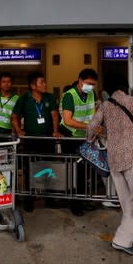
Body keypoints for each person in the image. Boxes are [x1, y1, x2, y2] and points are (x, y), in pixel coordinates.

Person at [86, 74, 133, 256]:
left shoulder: (105, 106)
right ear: (125, 86)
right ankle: (123, 240)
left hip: (115, 158)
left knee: (126, 201)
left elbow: (91, 127)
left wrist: (91, 139)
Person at [11, 72, 62, 211]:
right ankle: (29, 200)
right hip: (31, 140)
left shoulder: (50, 97)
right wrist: (18, 130)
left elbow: (54, 115)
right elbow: (14, 116)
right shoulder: (24, 99)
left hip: (47, 139)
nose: (45, 84)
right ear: (33, 85)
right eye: (42, 82)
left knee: (49, 169)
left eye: (45, 82)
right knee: (29, 169)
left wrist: (55, 130)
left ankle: (50, 199)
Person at [59, 69, 98, 215]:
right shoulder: (69, 95)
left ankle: (82, 201)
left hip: (84, 137)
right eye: (88, 83)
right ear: (80, 81)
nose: (91, 87)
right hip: (70, 137)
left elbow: (92, 113)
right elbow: (68, 120)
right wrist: (90, 126)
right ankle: (73, 203)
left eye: (93, 84)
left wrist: (96, 127)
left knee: (84, 171)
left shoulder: (91, 94)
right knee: (71, 171)